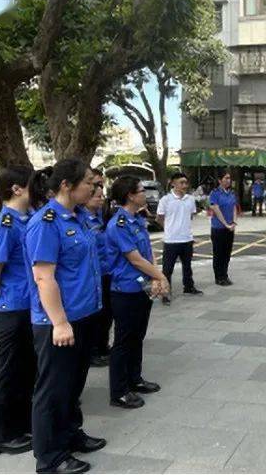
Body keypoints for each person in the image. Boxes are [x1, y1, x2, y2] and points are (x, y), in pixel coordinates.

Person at [24, 159, 106, 474]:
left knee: (73, 385)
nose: (95, 187)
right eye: (89, 182)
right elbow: (44, 277)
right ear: (65, 186)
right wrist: (59, 322)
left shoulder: (80, 218)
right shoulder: (46, 222)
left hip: (83, 316)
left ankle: (72, 434)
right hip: (58, 322)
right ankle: (50, 456)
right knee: (53, 390)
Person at [0, 166, 35, 457]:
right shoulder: (4, 225)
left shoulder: (25, 220)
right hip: (9, 309)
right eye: (32, 183)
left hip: (26, 307)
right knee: (6, 374)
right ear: (16, 189)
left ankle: (18, 426)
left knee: (24, 372)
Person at [106, 176, 169, 410]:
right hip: (125, 289)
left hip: (142, 286)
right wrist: (160, 277)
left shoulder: (137, 220)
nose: (145, 194)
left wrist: (154, 276)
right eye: (142, 190)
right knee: (124, 340)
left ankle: (135, 378)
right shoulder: (118, 225)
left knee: (137, 336)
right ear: (131, 196)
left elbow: (148, 253)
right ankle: (119, 391)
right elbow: (134, 259)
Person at [157, 172, 203, 305]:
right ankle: (165, 292)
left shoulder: (190, 199)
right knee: (167, 269)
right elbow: (159, 218)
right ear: (173, 183)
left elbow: (190, 216)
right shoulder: (165, 200)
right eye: (181, 183)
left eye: (185, 183)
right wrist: (169, 228)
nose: (184, 185)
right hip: (171, 240)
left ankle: (188, 287)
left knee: (187, 266)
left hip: (187, 239)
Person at [82, 170, 113, 368]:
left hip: (107, 272)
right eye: (97, 196)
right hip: (94, 275)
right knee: (96, 316)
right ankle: (93, 351)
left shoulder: (101, 215)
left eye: (102, 195)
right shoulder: (82, 219)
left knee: (107, 313)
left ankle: (102, 346)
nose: (101, 199)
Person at [209, 170, 238, 286]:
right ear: (220, 180)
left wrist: (234, 222)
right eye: (225, 178)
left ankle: (225, 275)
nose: (228, 180)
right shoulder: (215, 193)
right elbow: (216, 209)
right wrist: (226, 224)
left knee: (227, 253)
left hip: (230, 228)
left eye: (229, 178)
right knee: (218, 254)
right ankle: (219, 277)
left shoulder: (231, 193)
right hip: (218, 228)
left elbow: (234, 208)